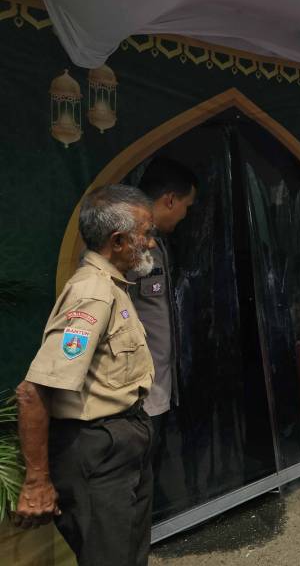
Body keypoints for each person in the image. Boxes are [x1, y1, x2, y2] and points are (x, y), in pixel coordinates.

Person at [13, 184, 157, 565]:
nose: (151, 243)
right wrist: (37, 481)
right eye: (146, 234)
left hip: (123, 441)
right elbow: (32, 392)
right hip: (98, 451)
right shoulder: (92, 294)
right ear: (118, 241)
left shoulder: (113, 287)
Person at [130, 157, 197, 441]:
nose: (186, 215)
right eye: (187, 206)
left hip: (159, 388)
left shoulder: (158, 244)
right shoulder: (125, 246)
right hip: (134, 396)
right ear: (170, 200)